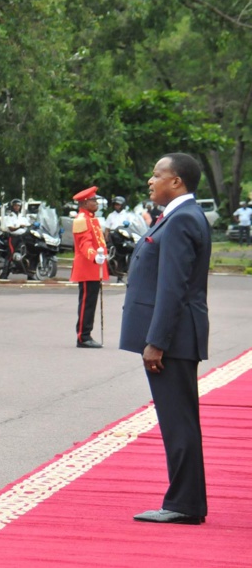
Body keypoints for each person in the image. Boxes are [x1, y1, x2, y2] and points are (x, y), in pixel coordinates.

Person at [120, 153, 211, 526]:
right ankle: (186, 501)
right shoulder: (178, 217)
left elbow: (172, 288)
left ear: (176, 182)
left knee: (178, 422)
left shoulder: (181, 220)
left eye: (156, 174)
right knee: (178, 420)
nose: (150, 180)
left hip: (173, 339)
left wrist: (156, 341)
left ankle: (184, 504)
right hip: (176, 335)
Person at [71, 187, 109, 348]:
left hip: (94, 266)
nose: (96, 203)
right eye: (94, 200)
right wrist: (94, 256)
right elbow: (84, 243)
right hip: (88, 265)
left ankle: (86, 333)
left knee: (91, 302)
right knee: (87, 302)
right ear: (85, 202)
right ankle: (83, 336)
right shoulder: (81, 219)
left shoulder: (91, 218)